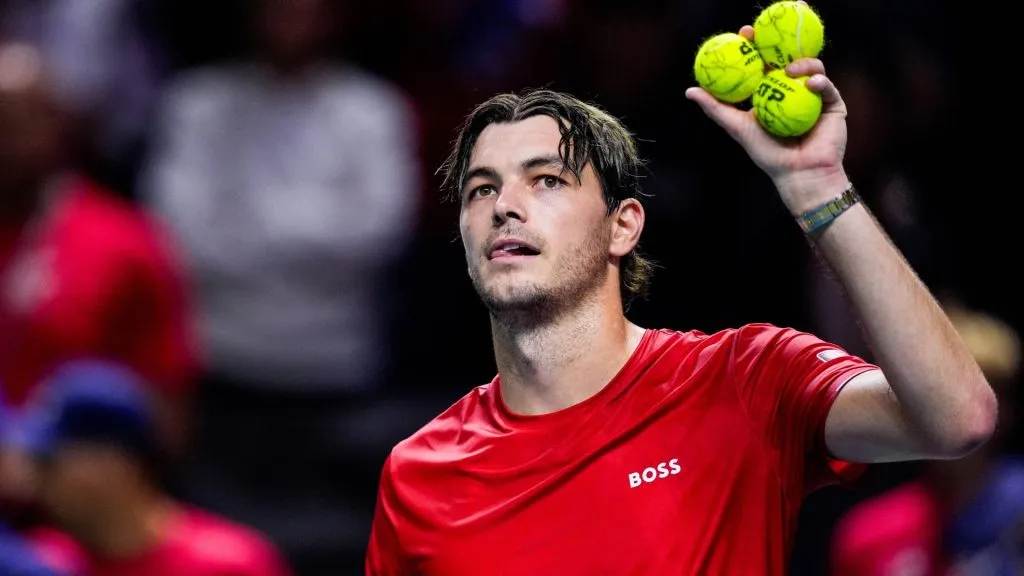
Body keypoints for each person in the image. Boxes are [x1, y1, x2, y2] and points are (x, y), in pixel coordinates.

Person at [364, 24, 998, 575]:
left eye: (547, 180)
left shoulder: (744, 380)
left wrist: (819, 189)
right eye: (480, 190)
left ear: (624, 225)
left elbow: (957, 418)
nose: (504, 206)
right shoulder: (417, 473)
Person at [0, 42, 195, 464]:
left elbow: (166, 423)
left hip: (74, 501)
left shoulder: (126, 241)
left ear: (58, 126)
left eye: (11, 124)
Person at [10, 359, 293, 576]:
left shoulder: (228, 564)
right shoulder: (42, 559)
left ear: (114, 466)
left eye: (49, 464)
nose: (35, 480)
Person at [830, 302, 1022, 575]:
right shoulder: (868, 536)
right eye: (939, 400)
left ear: (1007, 410)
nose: (957, 418)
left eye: (978, 399)